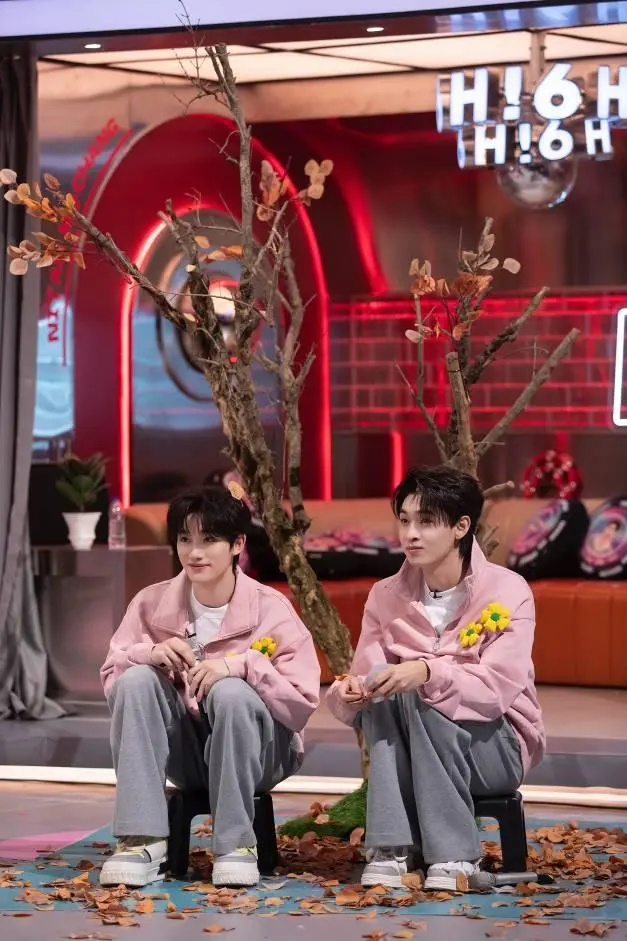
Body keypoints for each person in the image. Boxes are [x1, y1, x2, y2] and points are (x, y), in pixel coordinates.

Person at [327, 467, 545, 891]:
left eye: (426, 521)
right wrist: (352, 692)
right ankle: (391, 849)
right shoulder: (385, 595)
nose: (411, 534)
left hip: (494, 749)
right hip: (412, 745)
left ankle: (454, 853)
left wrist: (428, 672)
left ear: (461, 527)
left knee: (421, 692)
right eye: (405, 520)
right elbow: (366, 677)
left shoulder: (508, 590)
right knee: (386, 691)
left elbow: (497, 690)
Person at [99, 486, 320, 889]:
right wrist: (150, 655)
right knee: (137, 678)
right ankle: (141, 841)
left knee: (231, 692)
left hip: (261, 753)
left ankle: (236, 845)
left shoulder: (271, 608)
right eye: (185, 539)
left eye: (209, 540)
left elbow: (300, 706)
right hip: (183, 754)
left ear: (237, 545)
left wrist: (243, 666)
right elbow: (114, 685)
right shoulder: (149, 604)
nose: (195, 552)